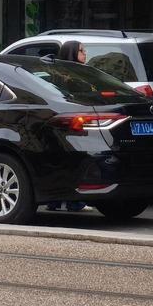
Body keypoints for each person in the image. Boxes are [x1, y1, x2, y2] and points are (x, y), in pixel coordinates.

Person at [51, 39, 90, 212]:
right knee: (74, 161)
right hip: (74, 122)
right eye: (81, 51)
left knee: (61, 161)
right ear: (73, 53)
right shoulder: (73, 75)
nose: (85, 54)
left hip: (64, 122)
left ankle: (56, 201)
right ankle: (74, 202)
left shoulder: (57, 73)